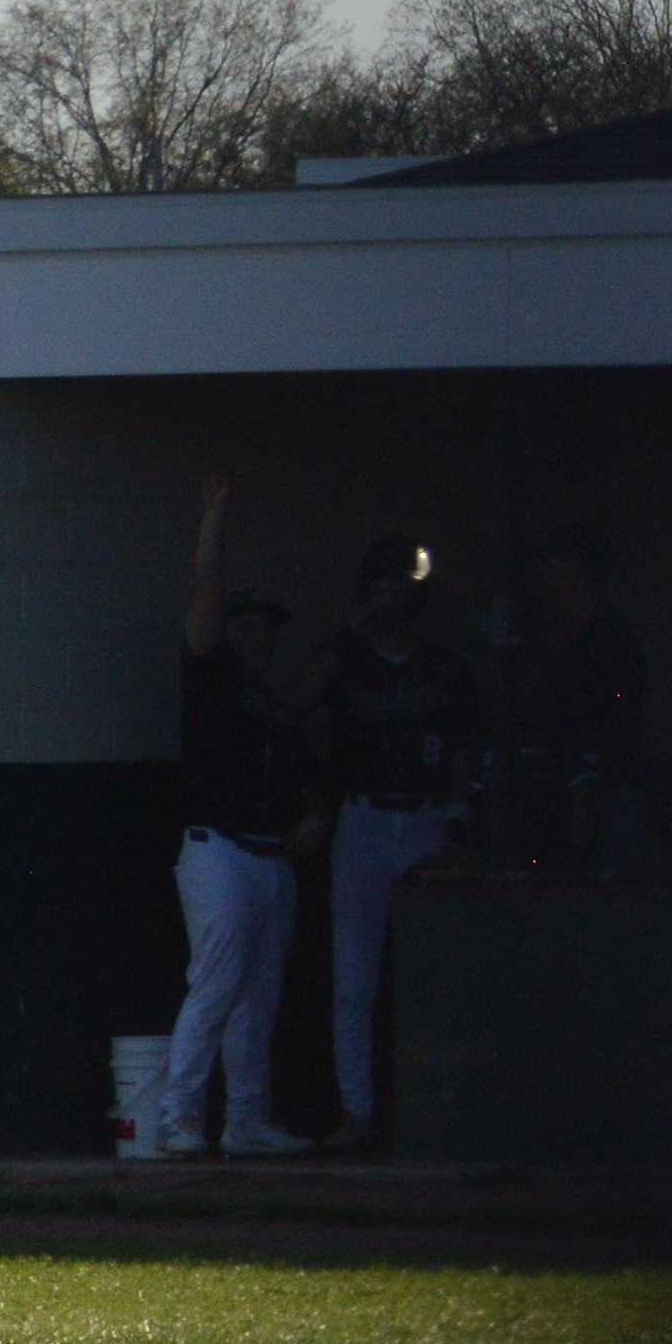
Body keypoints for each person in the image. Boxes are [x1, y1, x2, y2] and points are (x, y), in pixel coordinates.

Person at [155, 474, 320, 1160]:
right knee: (217, 985)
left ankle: (247, 1119)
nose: (258, 637)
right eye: (247, 626)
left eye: (266, 629)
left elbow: (314, 768)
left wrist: (318, 813)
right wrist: (215, 516)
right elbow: (205, 597)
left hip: (270, 856)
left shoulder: (277, 708)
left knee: (259, 998)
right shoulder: (211, 676)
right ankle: (178, 1115)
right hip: (217, 850)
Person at [313, 549, 474, 1146]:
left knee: (436, 973)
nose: (388, 601)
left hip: (427, 816)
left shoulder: (444, 668)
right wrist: (346, 635)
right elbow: (298, 697)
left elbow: (461, 749)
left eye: (397, 589)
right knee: (354, 977)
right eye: (376, 590)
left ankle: (443, 1108)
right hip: (364, 816)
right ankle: (357, 1113)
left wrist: (457, 822)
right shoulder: (348, 665)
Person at [511, 524, 649, 881]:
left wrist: (584, 786)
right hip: (576, 792)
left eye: (552, 567)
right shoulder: (574, 641)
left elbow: (601, 723)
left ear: (578, 571)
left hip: (602, 793)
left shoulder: (606, 643)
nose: (544, 581)